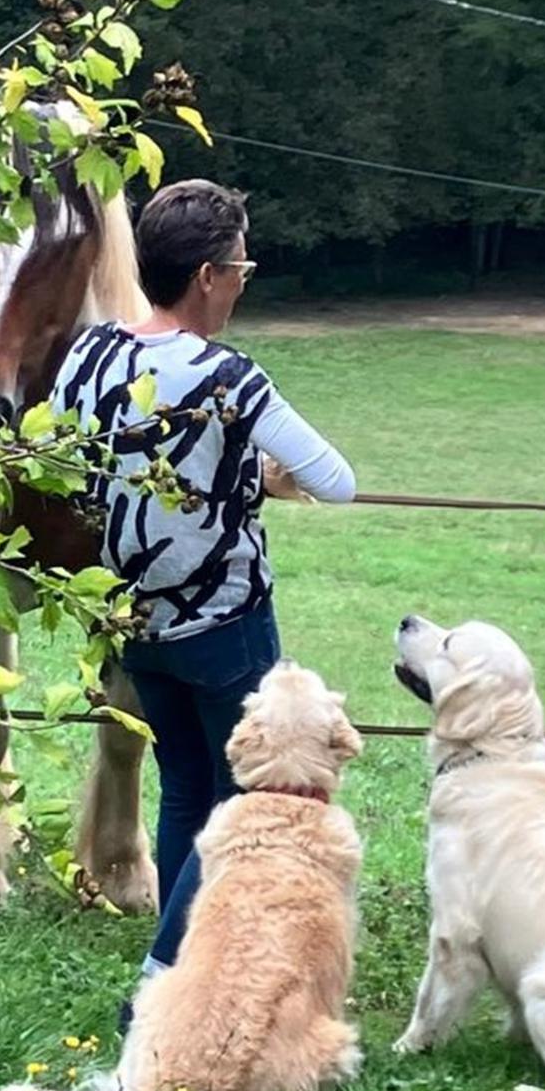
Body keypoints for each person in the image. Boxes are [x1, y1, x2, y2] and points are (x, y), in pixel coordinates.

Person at [53, 179, 355, 1020]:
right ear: (208, 277)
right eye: (241, 270)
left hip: (133, 620)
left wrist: (230, 472)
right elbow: (336, 480)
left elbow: (95, 463)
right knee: (243, 799)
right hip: (225, 622)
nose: (241, 286)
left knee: (186, 784)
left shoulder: (91, 355)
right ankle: (160, 986)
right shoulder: (227, 378)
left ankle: (185, 967)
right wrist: (258, 473)